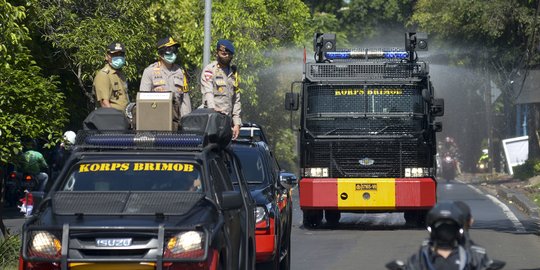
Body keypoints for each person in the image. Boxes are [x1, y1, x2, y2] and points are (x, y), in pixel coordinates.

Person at [397, 201, 498, 270]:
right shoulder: (423, 254)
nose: (445, 232)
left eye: (450, 227)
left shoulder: (475, 254)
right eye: (440, 227)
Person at [140, 36, 192, 130]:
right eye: (169, 50)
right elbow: (143, 101)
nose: (172, 53)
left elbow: (185, 101)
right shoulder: (149, 71)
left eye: (175, 50)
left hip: (176, 122)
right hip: (156, 121)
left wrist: (187, 122)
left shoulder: (181, 72)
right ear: (161, 53)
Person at [200, 39, 242, 139]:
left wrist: (237, 123)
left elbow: (236, 99)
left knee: (225, 153)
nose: (226, 56)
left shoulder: (233, 73)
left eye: (228, 54)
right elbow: (208, 92)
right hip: (211, 121)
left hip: (227, 122)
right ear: (217, 53)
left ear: (231, 55)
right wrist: (213, 109)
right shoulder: (210, 70)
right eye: (223, 53)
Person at [93, 42, 130, 112]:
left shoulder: (120, 74)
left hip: (124, 117)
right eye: (114, 54)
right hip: (111, 118)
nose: (118, 57)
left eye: (121, 54)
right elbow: (104, 103)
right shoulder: (104, 75)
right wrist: (114, 118)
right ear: (107, 56)